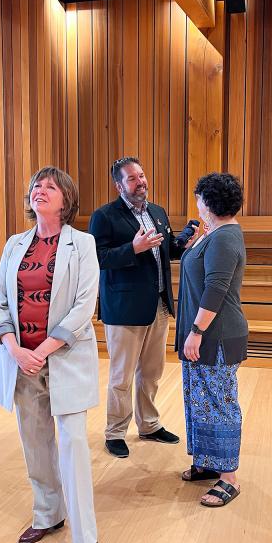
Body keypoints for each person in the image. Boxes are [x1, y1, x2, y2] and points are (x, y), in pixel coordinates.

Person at [0, 166, 104, 543]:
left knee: (73, 445)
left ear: (66, 199)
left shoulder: (83, 244)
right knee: (35, 443)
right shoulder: (14, 244)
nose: (40, 190)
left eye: (50, 186)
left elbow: (83, 307)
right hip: (21, 361)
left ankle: (85, 535)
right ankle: (48, 515)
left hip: (65, 358)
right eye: (37, 185)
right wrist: (16, 349)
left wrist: (45, 349)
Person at [89, 157, 197, 458]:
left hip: (158, 306)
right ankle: (115, 431)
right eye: (133, 178)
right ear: (119, 185)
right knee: (121, 376)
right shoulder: (105, 217)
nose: (141, 182)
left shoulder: (157, 212)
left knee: (151, 373)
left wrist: (182, 243)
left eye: (142, 175)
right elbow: (97, 258)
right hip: (124, 309)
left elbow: (166, 251)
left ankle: (149, 424)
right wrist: (132, 249)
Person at [175, 172, 247, 507]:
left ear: (210, 202)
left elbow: (216, 289)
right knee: (199, 398)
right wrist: (192, 246)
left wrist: (197, 331)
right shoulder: (213, 234)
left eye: (200, 198)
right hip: (204, 335)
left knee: (219, 402)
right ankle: (207, 461)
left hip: (215, 336)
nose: (198, 204)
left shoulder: (225, 237)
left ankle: (228, 477)